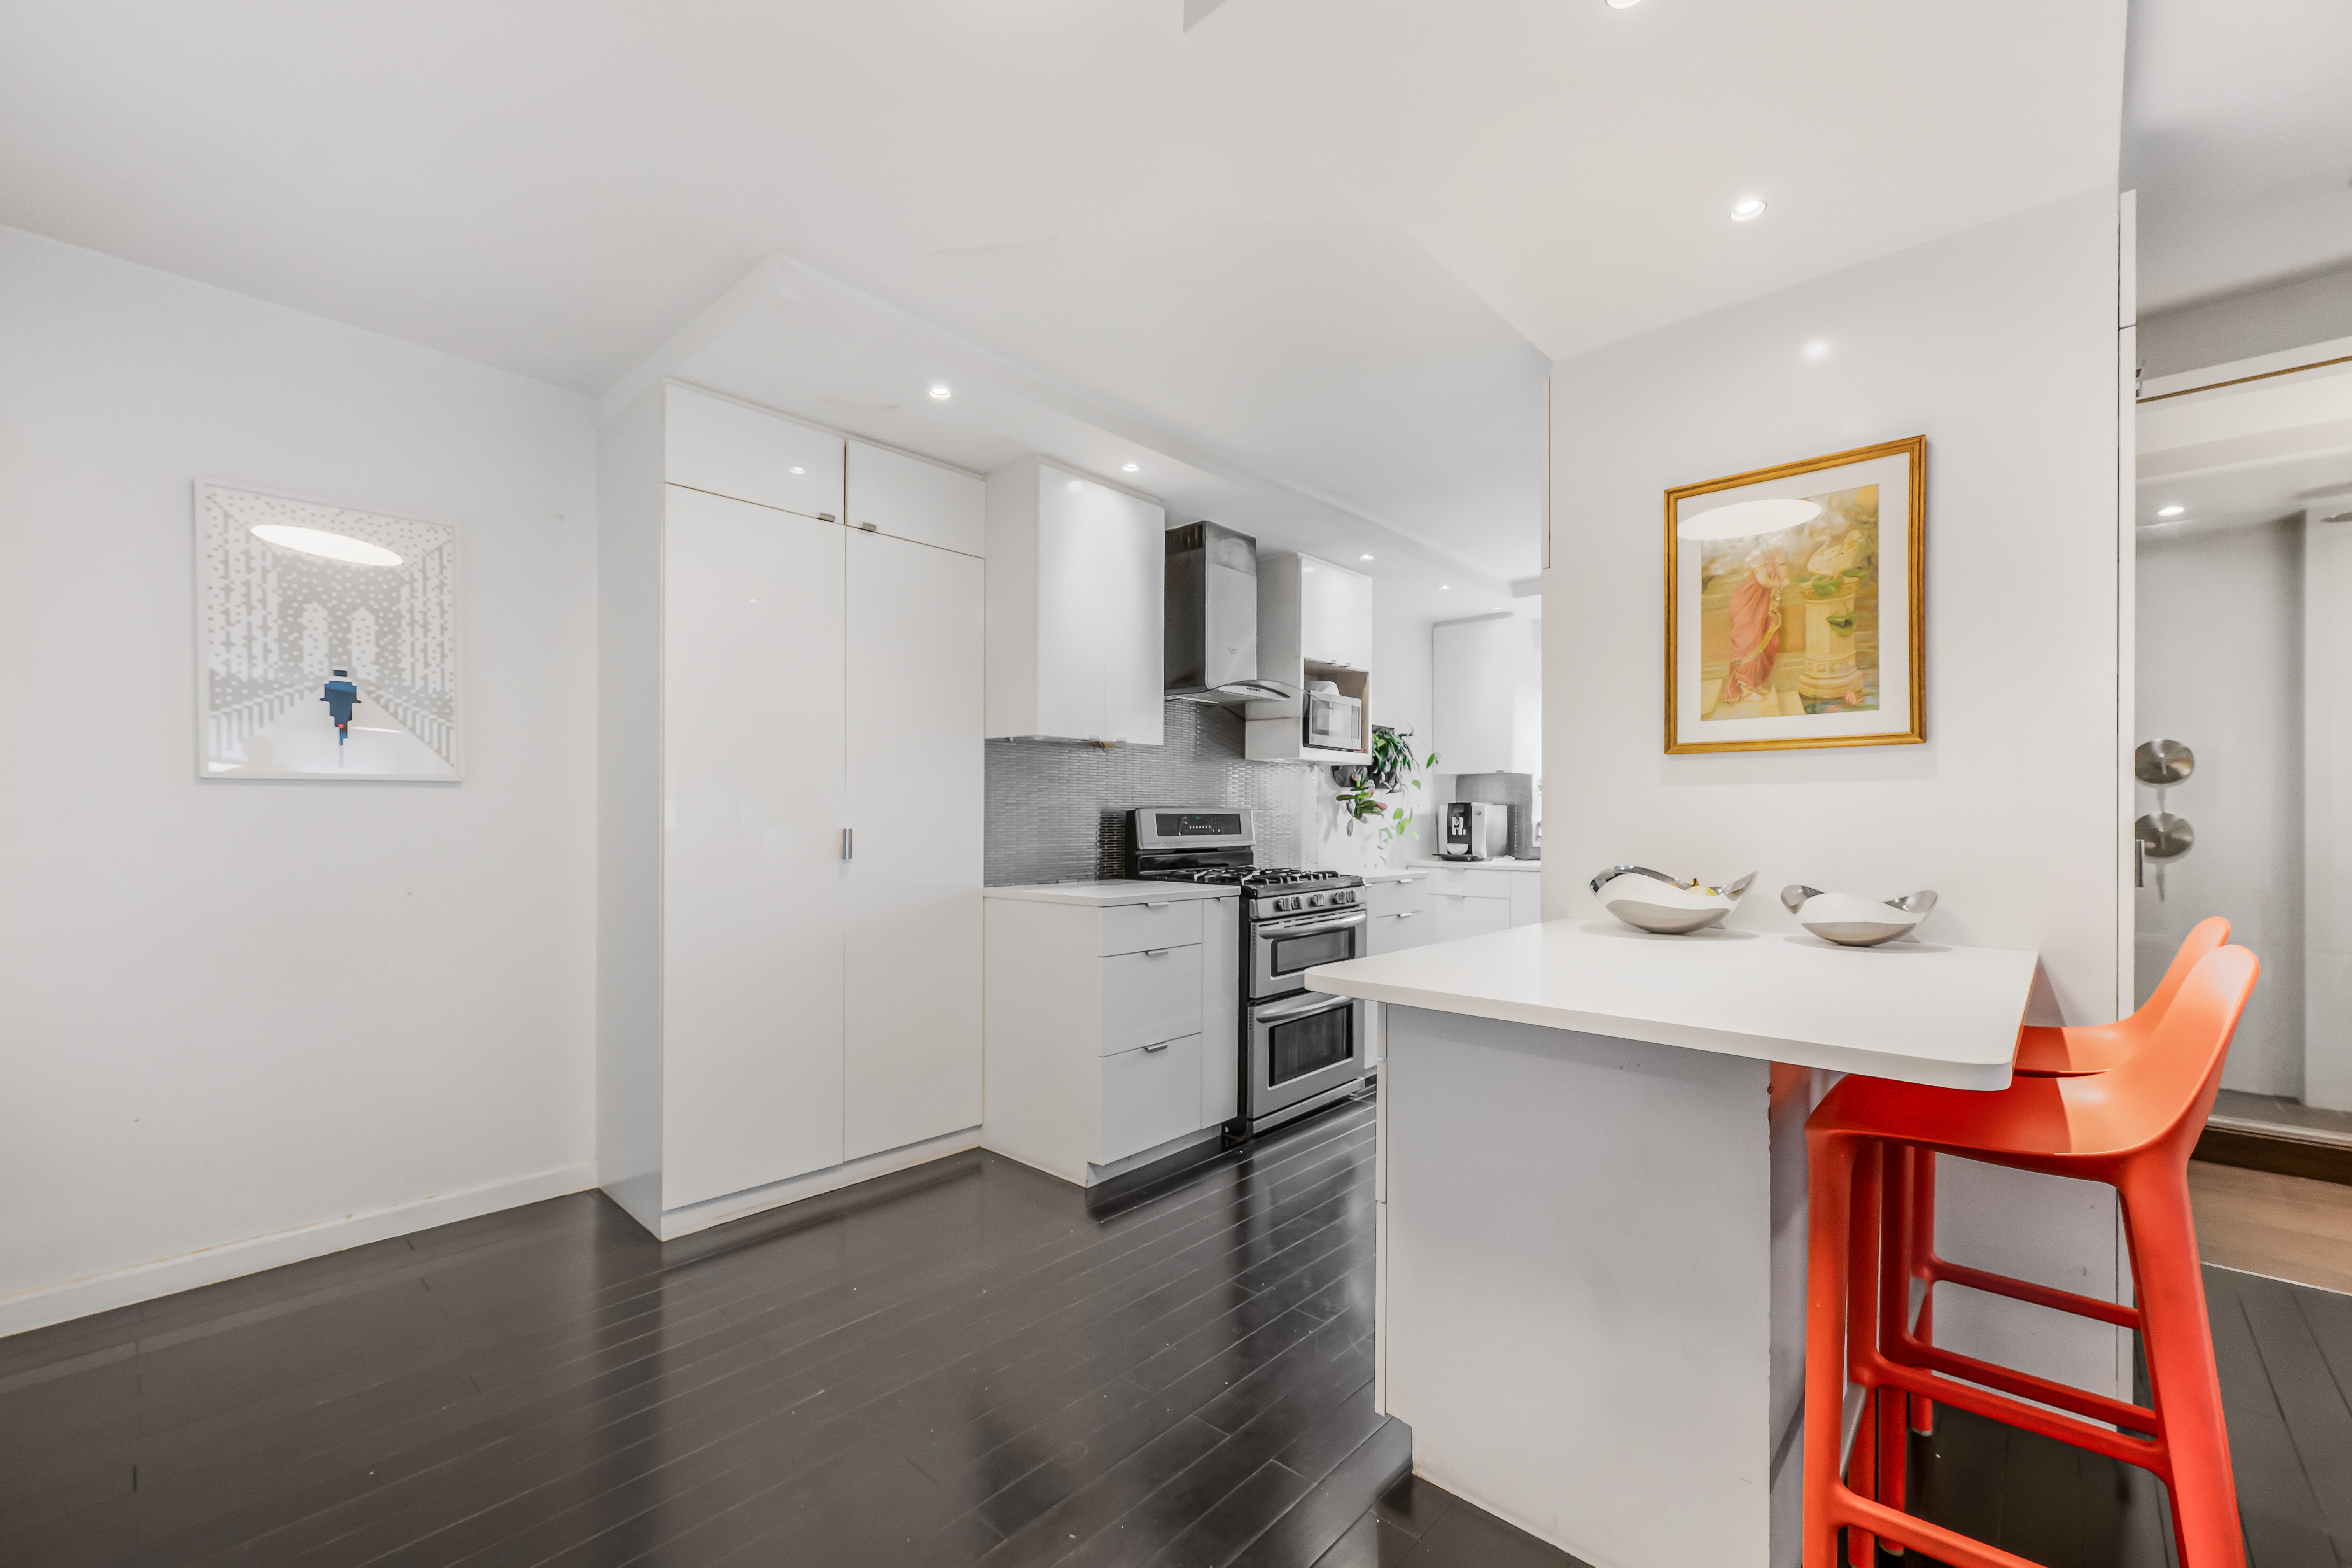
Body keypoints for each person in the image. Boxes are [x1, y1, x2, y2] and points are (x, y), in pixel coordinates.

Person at [1717, 546, 1788, 709]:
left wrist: (1782, 560)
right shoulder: (1756, 555)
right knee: (1747, 644)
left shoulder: (1773, 555)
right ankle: (1745, 689)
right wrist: (1780, 583)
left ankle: (1754, 684)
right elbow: (1764, 580)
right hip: (1746, 605)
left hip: (1761, 607)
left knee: (1760, 644)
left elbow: (1786, 580)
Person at [321, 670, 360, 745]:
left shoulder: (332, 686)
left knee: (342, 724)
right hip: (342, 710)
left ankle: (342, 739)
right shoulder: (348, 687)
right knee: (342, 724)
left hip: (342, 710)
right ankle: (342, 739)